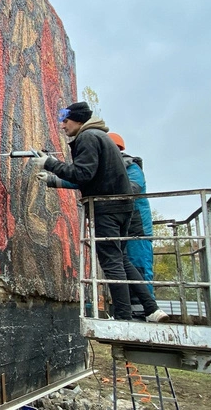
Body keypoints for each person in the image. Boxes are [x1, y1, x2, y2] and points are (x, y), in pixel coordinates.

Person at [34, 102, 167, 322]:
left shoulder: (87, 137)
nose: (62, 125)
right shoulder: (99, 136)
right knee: (121, 259)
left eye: (66, 120)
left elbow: (83, 174)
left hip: (106, 209)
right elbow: (92, 176)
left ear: (78, 120)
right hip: (122, 208)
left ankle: (123, 318)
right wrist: (54, 175)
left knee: (111, 262)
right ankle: (152, 309)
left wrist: (50, 164)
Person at [108, 132, 155, 298]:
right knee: (121, 267)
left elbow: (131, 189)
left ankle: (144, 307)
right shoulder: (110, 169)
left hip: (137, 228)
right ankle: (130, 307)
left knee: (139, 266)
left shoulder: (132, 168)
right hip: (121, 226)